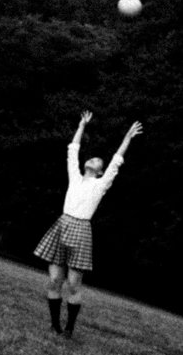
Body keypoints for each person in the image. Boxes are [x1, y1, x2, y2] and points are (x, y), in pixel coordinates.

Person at [33, 110, 142, 337]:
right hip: (62, 225)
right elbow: (73, 150)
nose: (92, 160)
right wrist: (82, 125)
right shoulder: (74, 176)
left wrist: (128, 137)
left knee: (73, 285)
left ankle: (70, 329)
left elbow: (116, 160)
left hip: (81, 230)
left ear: (100, 170)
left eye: (97, 161)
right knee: (54, 280)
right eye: (91, 159)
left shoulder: (101, 184)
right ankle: (55, 325)